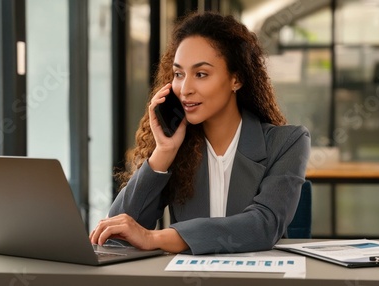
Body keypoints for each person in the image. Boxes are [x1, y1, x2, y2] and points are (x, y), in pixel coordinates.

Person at [90, 11, 310, 255]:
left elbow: (263, 226)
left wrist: (156, 238)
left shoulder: (288, 142)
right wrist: (164, 152)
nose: (185, 89)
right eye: (178, 74)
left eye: (201, 74)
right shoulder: (179, 146)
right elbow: (116, 236)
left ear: (236, 79)